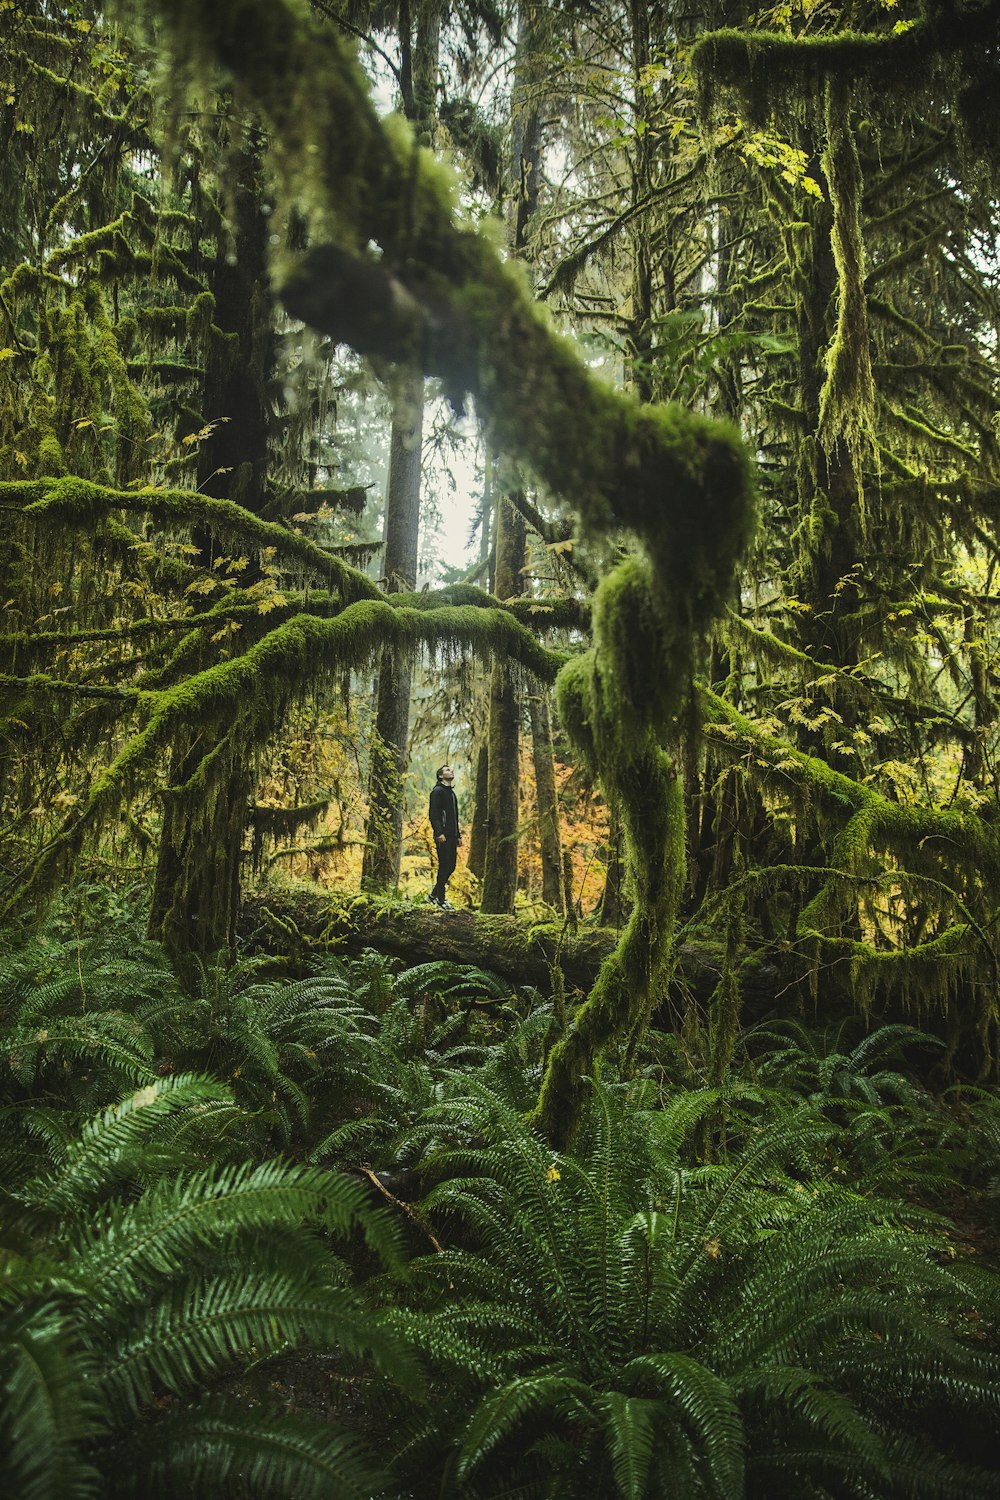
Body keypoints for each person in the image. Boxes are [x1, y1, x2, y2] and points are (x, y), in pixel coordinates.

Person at [428, 764, 461, 909]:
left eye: (451, 769)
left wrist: (458, 835)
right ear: (441, 776)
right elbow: (434, 814)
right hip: (443, 836)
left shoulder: (451, 793)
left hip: (452, 835)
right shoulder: (437, 791)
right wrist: (438, 832)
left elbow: (455, 817)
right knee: (444, 866)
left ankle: (434, 895)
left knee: (451, 866)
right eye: (447, 770)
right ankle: (440, 900)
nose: (451, 771)